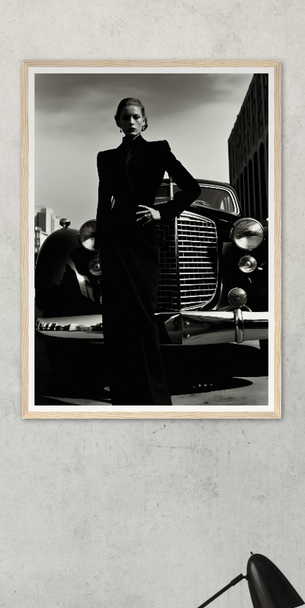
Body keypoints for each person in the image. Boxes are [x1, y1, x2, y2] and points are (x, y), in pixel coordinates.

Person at [94, 97, 201, 405]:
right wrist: (100, 250)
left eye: (136, 117)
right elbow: (103, 206)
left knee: (143, 320)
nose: (130, 122)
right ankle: (124, 396)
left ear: (144, 122)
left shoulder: (158, 150)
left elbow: (190, 188)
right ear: (117, 121)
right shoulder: (105, 158)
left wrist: (161, 213)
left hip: (142, 243)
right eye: (125, 117)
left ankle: (155, 398)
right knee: (117, 322)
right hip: (115, 245)